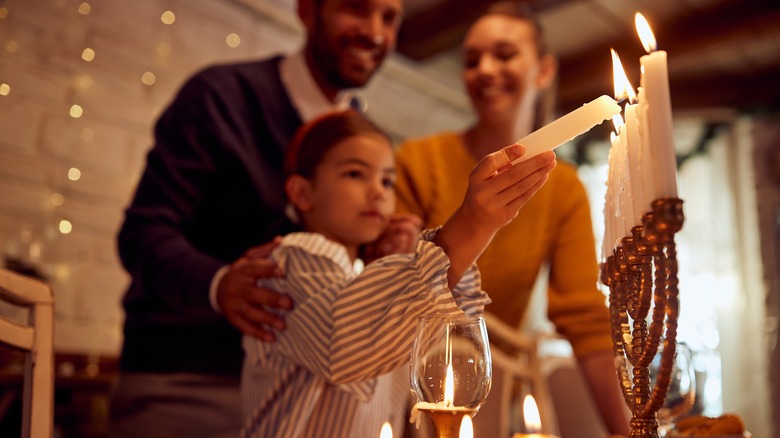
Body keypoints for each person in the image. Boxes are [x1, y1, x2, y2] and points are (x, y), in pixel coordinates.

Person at [111, 0, 405, 436]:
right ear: (307, 9)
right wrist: (219, 285)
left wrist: (379, 250)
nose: (375, 33)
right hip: (195, 382)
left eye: (389, 17)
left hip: (306, 397)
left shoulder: (362, 137)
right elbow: (143, 234)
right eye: (356, 9)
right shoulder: (220, 97)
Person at [240, 109, 557, 437]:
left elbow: (446, 330)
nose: (378, 191)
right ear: (302, 193)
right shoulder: (294, 258)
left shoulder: (361, 275)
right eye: (354, 174)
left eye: (387, 180)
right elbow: (344, 346)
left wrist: (398, 267)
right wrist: (471, 225)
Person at [393, 2, 631, 437]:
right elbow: (393, 291)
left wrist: (626, 429)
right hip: (406, 389)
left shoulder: (563, 188)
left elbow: (584, 319)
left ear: (543, 71)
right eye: (471, 60)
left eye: (504, 55)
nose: (484, 69)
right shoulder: (418, 161)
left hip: (491, 392)